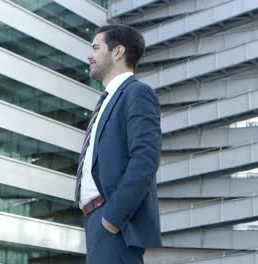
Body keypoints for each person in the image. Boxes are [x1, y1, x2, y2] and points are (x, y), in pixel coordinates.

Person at [75, 24, 162, 263]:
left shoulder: (137, 93)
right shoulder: (106, 100)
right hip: (96, 220)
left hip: (114, 224)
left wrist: (113, 218)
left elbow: (145, 159)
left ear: (117, 52)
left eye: (95, 47)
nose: (89, 55)